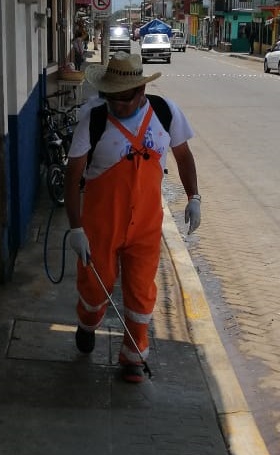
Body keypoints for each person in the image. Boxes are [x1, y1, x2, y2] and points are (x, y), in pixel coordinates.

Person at [63, 52, 201, 384]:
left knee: (140, 291)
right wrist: (76, 228)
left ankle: (133, 357)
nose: (117, 105)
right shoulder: (93, 119)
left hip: (147, 226)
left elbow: (183, 156)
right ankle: (87, 321)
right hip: (101, 225)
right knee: (96, 286)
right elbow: (72, 175)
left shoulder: (165, 113)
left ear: (140, 91)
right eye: (110, 97)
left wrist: (194, 197)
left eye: (124, 98)